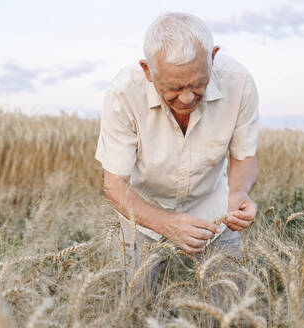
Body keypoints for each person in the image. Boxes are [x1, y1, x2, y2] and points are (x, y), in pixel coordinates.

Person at [95, 12, 259, 305]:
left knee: (232, 308)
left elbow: (245, 157)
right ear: (147, 71)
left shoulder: (240, 83)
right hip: (142, 212)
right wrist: (166, 223)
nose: (186, 98)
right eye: (172, 88)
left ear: (213, 57)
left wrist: (238, 193)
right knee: (132, 306)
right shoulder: (123, 93)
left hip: (213, 210)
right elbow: (115, 186)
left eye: (198, 84)